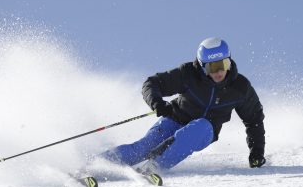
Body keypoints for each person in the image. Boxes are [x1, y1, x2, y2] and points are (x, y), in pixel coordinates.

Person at [98, 37, 266, 173]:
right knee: (143, 147)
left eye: (223, 65)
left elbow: (254, 119)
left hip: (205, 131)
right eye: (212, 67)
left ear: (229, 61)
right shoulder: (188, 74)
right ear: (202, 66)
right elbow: (151, 84)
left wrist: (257, 152)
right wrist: (157, 103)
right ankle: (94, 165)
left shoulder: (240, 87)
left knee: (199, 126)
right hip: (175, 119)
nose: (219, 72)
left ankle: (154, 167)